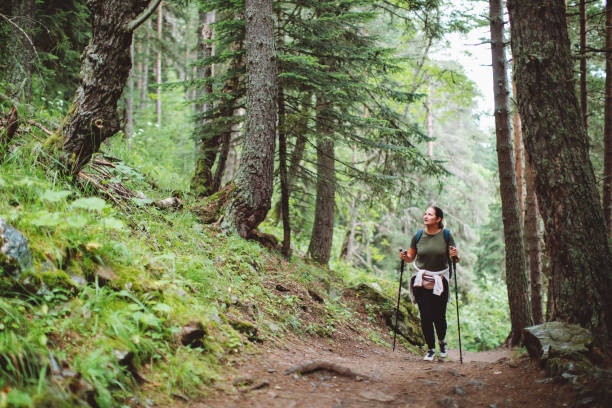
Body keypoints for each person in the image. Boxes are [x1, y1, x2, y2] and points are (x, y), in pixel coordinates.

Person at [400, 206, 459, 361]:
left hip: (440, 279)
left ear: (438, 219)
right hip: (420, 279)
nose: (425, 216)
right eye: (425, 213)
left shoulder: (446, 235)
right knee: (425, 315)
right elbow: (411, 257)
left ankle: (442, 341)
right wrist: (404, 256)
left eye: (430, 214)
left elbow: (454, 258)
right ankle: (431, 349)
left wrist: (455, 255)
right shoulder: (418, 235)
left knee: (439, 316)